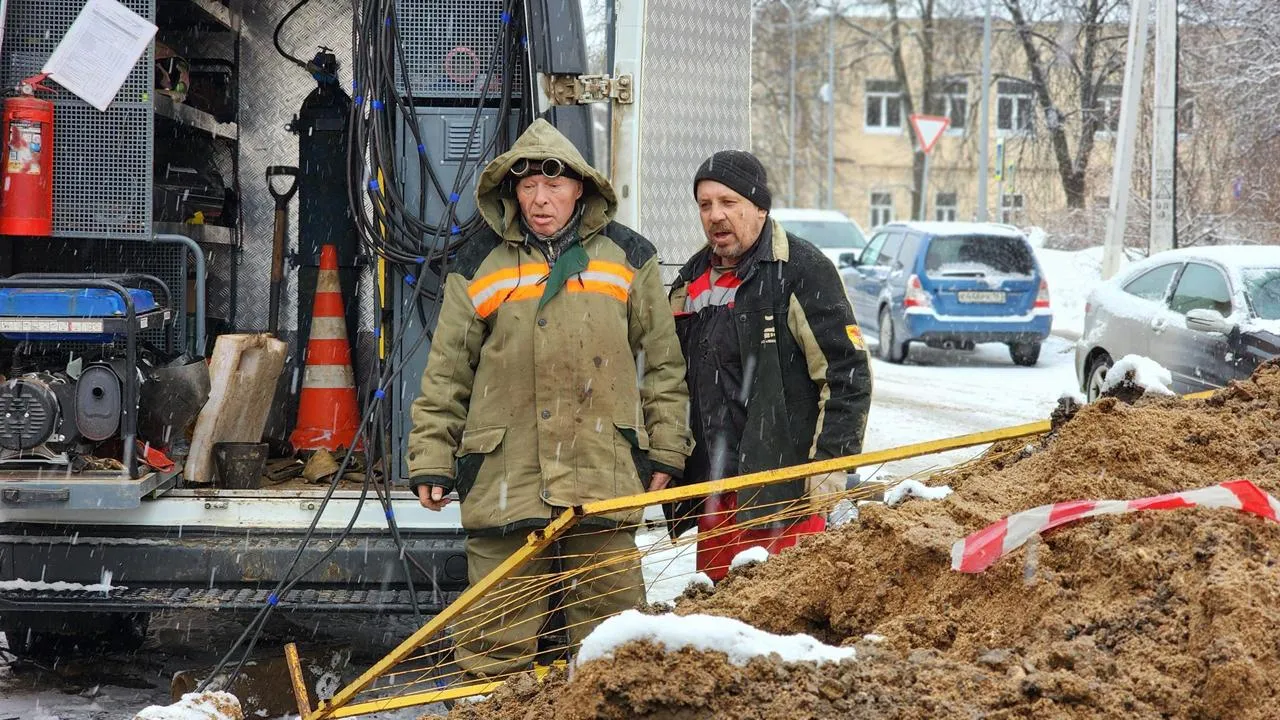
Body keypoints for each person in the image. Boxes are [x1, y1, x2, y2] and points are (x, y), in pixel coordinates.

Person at [406, 119, 692, 679]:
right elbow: (447, 373)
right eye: (528, 186)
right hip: (504, 477)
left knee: (614, 649)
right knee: (492, 645)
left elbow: (663, 363)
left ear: (580, 188)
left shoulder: (630, 256)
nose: (540, 200)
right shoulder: (478, 263)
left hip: (600, 471)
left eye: (554, 186)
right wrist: (433, 457)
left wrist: (667, 449)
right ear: (511, 192)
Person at [668, 150, 873, 581]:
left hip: (786, 494)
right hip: (716, 494)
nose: (715, 216)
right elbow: (668, 379)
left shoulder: (801, 270)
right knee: (720, 621)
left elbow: (847, 376)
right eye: (705, 205)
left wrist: (828, 469)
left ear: (760, 207)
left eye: (728, 203)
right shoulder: (690, 279)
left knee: (780, 616)